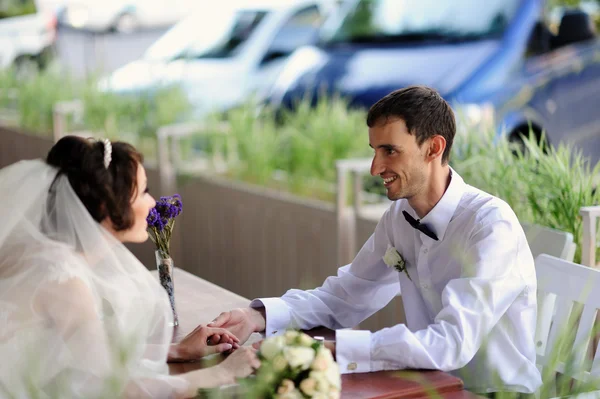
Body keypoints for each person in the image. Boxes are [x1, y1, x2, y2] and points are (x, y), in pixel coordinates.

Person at [198, 86, 543, 395]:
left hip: (493, 393)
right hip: (427, 385)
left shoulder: (489, 226)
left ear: (433, 148)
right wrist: (256, 316)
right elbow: (344, 297)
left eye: (390, 150)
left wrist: (333, 349)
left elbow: (450, 343)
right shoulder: (399, 217)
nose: (375, 168)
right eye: (374, 150)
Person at [0, 136, 259, 398]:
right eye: (144, 191)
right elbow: (118, 391)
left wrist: (176, 350)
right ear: (107, 204)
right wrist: (221, 373)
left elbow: (79, 354)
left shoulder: (48, 255)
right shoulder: (64, 281)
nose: (153, 202)